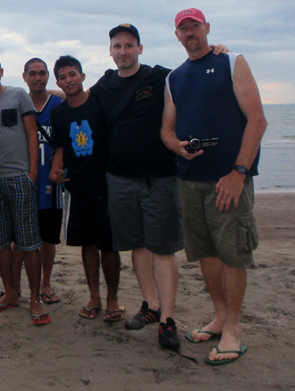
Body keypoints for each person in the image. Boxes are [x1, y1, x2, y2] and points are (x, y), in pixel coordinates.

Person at [92, 24, 228, 351]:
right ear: (110, 51)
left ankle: (167, 319)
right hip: (120, 180)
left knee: (163, 249)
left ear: (140, 48)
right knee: (138, 245)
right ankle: (150, 305)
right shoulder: (104, 85)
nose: (122, 51)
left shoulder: (160, 77)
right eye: (117, 46)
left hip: (161, 179)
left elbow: (194, 72)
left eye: (128, 45)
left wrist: (217, 53)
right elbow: (75, 98)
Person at [161, 8, 266, 365]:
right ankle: (220, 316)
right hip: (191, 179)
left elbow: (257, 120)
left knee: (233, 252)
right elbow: (167, 129)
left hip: (229, 178)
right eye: (183, 29)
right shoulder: (174, 77)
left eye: (195, 26)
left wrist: (238, 173)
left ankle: (234, 329)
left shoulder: (231, 60)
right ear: (177, 35)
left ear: (206, 28)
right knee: (205, 251)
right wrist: (178, 147)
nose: (190, 33)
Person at [0, 50, 49, 326]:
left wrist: (32, 173)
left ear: (1, 71)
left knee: (28, 243)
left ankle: (35, 298)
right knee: (0, 242)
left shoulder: (17, 95)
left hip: (19, 178)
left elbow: (31, 134)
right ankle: (11, 293)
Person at [48, 56, 122, 322]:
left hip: (106, 183)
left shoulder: (99, 103)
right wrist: (55, 173)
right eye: (63, 77)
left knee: (109, 245)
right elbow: (60, 148)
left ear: (82, 76)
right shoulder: (58, 113)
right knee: (88, 244)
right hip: (77, 187)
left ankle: (113, 299)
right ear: (58, 82)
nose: (69, 80)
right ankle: (94, 297)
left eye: (73, 74)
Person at [12, 58, 64, 305]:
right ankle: (15, 286)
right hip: (24, 180)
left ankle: (45, 283)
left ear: (48, 76)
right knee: (18, 239)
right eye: (32, 74)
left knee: (48, 239)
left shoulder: (59, 105)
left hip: (52, 181)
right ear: (24, 77)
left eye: (42, 73)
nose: (38, 78)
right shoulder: (18, 104)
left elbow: (80, 94)